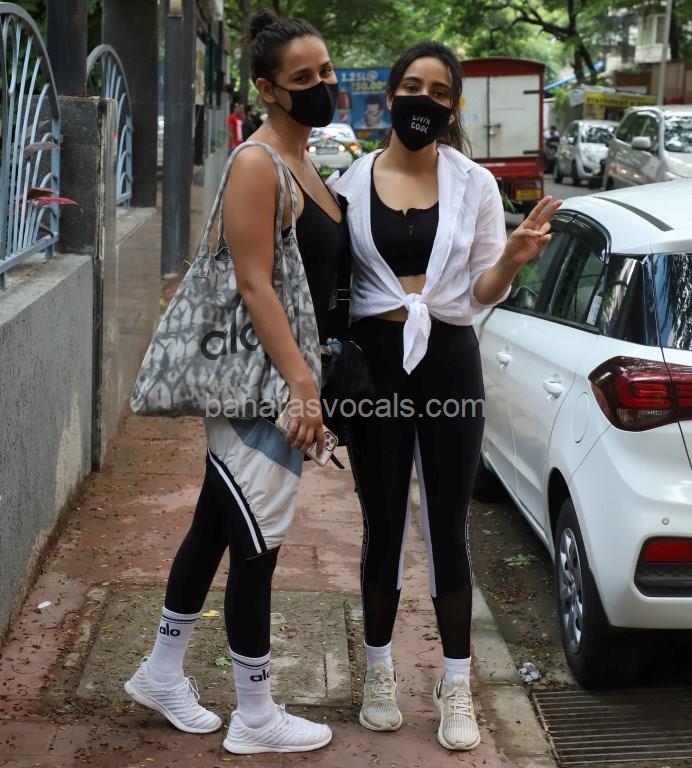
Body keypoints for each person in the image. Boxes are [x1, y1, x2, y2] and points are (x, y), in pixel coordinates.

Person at [125, 9, 349, 756]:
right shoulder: (258, 163)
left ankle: (162, 671)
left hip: (273, 380)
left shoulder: (304, 159)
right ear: (267, 89)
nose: (322, 85)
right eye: (303, 77)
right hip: (260, 385)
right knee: (258, 540)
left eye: (325, 71)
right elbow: (254, 285)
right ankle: (255, 715)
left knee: (219, 523)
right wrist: (303, 386)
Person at [329, 42, 561, 752]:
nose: (422, 101)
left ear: (453, 106)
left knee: (448, 526)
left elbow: (481, 292)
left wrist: (511, 259)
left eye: (437, 91)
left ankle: (455, 682)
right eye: (411, 86)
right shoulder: (347, 183)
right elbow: (334, 285)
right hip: (376, 366)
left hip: (450, 365)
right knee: (383, 524)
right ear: (390, 95)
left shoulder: (475, 184)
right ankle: (378, 671)